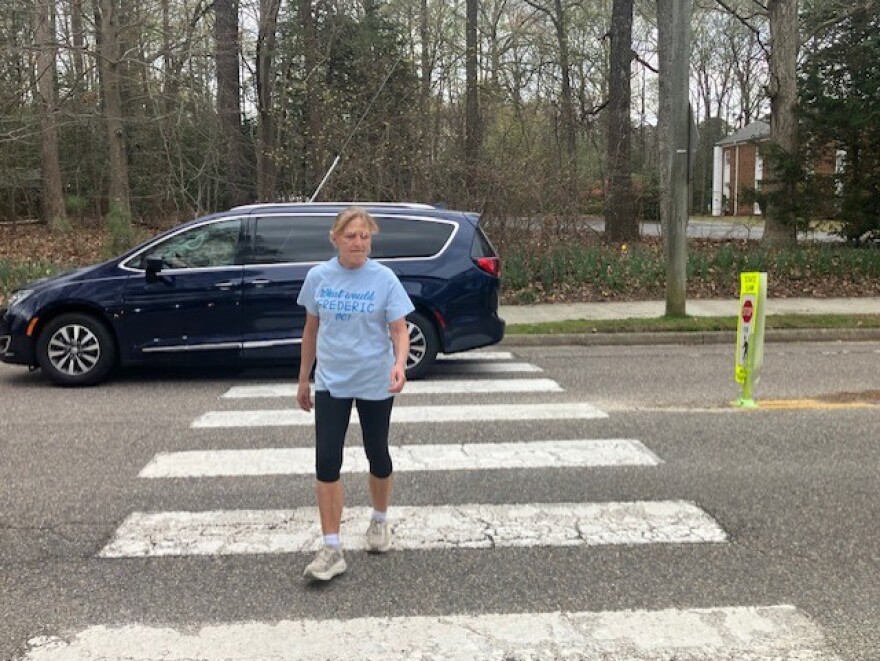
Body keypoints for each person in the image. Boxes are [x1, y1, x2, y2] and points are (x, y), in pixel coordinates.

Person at [296, 206, 415, 581]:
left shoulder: (384, 278)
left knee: (376, 452)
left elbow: (400, 329)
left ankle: (379, 522)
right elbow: (311, 331)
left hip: (375, 380)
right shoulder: (318, 277)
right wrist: (304, 378)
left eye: (365, 236)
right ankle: (331, 548)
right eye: (351, 236)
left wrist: (400, 363)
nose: (359, 243)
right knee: (326, 460)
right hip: (333, 380)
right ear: (335, 238)